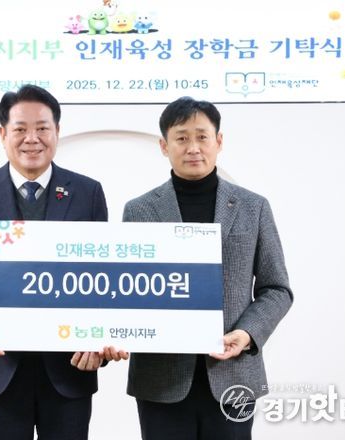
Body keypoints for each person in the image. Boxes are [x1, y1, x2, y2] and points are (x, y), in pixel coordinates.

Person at [0, 85, 111, 440]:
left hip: (68, 371)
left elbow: (102, 280)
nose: (32, 138)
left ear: (57, 131)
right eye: (20, 129)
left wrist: (99, 338)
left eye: (42, 128)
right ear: (3, 134)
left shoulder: (88, 193)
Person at [121, 97, 293, 439]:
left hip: (234, 374)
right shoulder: (139, 210)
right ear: (164, 146)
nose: (193, 147)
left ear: (219, 141)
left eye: (202, 136)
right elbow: (127, 290)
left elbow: (277, 289)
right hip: (161, 379)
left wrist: (247, 334)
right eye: (181, 138)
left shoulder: (253, 207)